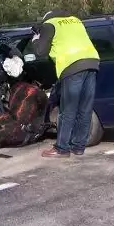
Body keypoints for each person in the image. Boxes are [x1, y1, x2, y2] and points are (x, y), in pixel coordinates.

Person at [31, 9, 100, 158]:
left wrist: (36, 38)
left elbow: (40, 52)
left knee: (68, 109)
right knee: (85, 108)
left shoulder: (49, 24)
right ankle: (78, 147)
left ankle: (62, 148)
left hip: (72, 66)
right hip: (92, 62)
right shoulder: (76, 21)